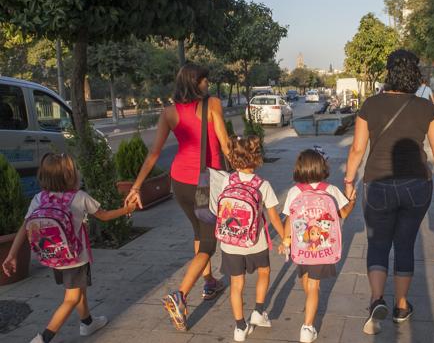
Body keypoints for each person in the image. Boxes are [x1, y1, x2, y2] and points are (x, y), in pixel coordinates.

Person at [344, 49, 434, 335]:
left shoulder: (371, 105)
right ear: (415, 73)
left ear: (389, 72)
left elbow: (357, 149)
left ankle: (377, 300)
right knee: (405, 245)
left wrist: (348, 180)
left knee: (378, 244)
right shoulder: (426, 107)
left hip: (377, 183)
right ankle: (401, 306)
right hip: (417, 185)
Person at [124, 63, 230, 331]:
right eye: (205, 80)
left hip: (179, 182)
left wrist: (136, 186)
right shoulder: (213, 105)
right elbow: (226, 145)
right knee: (208, 244)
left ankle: (209, 282)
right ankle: (180, 295)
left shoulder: (169, 112)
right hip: (205, 183)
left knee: (198, 229)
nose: (208, 84)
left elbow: (154, 154)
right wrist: (245, 176)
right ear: (198, 82)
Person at [1, 153, 136, 343]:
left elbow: (24, 227)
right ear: (71, 176)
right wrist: (126, 210)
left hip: (54, 255)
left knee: (79, 290)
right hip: (75, 258)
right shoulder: (79, 197)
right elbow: (104, 216)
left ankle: (87, 323)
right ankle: (44, 338)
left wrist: (12, 255)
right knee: (71, 298)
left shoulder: (39, 198)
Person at [280, 149, 357, 343]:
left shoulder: (294, 191)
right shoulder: (330, 190)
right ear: (323, 167)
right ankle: (307, 327)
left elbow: (289, 219)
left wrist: (285, 240)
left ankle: (308, 320)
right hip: (323, 250)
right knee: (314, 287)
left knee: (307, 281)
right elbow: (344, 214)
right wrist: (353, 201)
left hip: (302, 248)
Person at [216, 135, 286, 342]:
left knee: (236, 284)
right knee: (264, 272)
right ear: (256, 158)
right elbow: (273, 217)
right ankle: (258, 310)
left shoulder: (228, 180)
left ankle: (239, 327)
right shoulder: (262, 184)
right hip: (256, 242)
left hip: (230, 243)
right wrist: (285, 238)